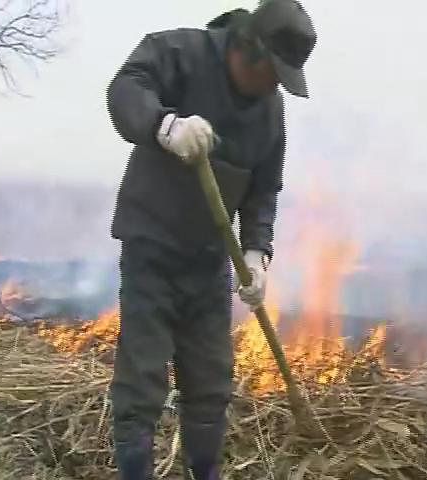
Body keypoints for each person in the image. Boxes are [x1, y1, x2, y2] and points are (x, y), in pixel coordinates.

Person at [105, 1, 316, 479]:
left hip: (208, 261)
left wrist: (257, 254)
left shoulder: (269, 111)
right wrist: (165, 126)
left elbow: (264, 188)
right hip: (152, 248)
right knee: (142, 381)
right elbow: (125, 89)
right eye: (274, 74)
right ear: (249, 49)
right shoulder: (183, 51)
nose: (274, 88)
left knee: (209, 382)